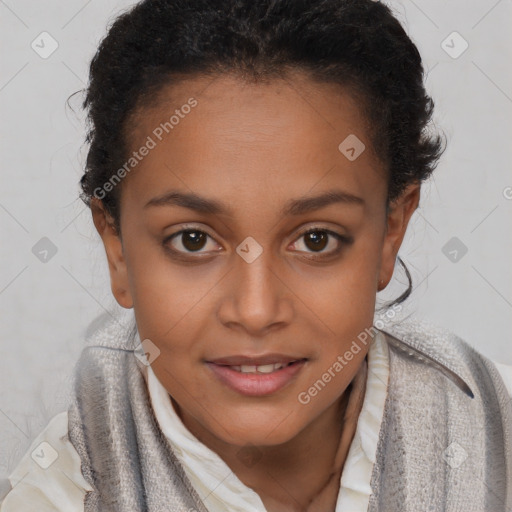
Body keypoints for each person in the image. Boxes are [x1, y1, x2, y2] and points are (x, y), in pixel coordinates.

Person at [1, 0, 511, 511]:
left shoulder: (495, 441)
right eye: (193, 240)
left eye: (316, 239)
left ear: (389, 233)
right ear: (117, 249)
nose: (256, 310)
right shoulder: (62, 492)